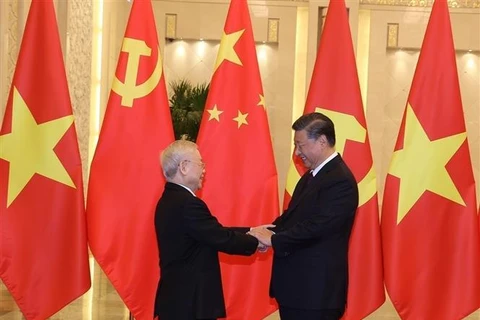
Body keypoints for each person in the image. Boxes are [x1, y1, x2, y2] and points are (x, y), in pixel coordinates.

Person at [250, 112, 359, 320]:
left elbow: (318, 227)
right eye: (295, 145)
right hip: (298, 291)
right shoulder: (312, 176)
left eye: (300, 145)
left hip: (315, 294)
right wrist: (266, 231)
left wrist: (273, 239)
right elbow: (292, 218)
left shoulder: (340, 180)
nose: (296, 152)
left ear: (322, 141)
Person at [154, 140, 260, 320]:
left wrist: (251, 230)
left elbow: (210, 232)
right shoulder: (188, 204)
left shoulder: (170, 199)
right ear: (184, 167)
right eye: (201, 163)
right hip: (189, 302)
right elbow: (219, 237)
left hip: (178, 299)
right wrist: (258, 240)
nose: (204, 170)